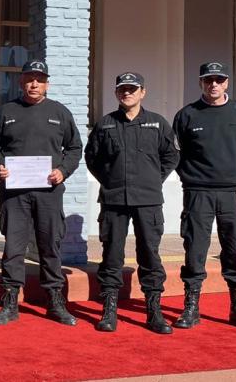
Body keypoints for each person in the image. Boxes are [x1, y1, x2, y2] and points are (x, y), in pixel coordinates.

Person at [0, 60, 82, 326]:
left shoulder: (60, 113)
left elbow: (74, 148)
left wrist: (63, 170)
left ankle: (54, 301)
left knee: (50, 246)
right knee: (14, 248)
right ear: (21, 82)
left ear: (47, 83)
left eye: (39, 79)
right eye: (29, 79)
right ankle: (10, 301)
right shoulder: (5, 112)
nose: (34, 84)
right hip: (15, 194)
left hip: (48, 192)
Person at [85, 72, 179, 334]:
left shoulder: (158, 124)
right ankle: (109, 309)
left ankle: (154, 310)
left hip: (148, 201)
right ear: (117, 93)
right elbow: (92, 158)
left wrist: (152, 179)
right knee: (111, 254)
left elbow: (171, 156)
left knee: (150, 253)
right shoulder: (105, 125)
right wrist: (110, 180)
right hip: (114, 200)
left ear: (142, 92)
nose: (127, 93)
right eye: (122, 89)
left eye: (132, 88)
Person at [172, 62, 236, 329]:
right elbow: (176, 153)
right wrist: (189, 176)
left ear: (226, 82)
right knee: (195, 249)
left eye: (218, 79)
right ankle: (191, 307)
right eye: (208, 80)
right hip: (198, 192)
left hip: (232, 192)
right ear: (201, 82)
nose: (213, 84)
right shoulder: (187, 115)